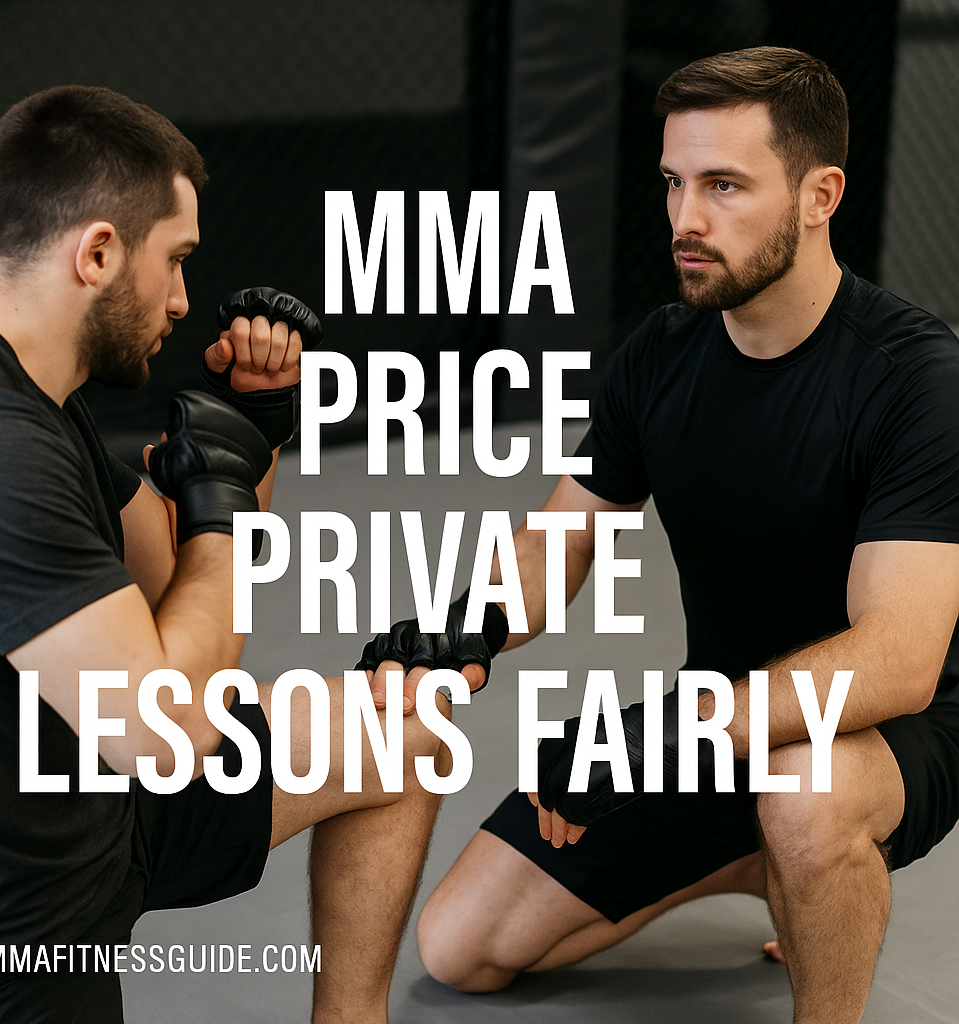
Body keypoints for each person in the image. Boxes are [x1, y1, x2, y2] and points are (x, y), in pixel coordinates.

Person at [357, 47, 959, 1023]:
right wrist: (463, 628)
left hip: (890, 735)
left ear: (820, 194)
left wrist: (644, 752)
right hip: (722, 719)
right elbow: (561, 542)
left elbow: (895, 660)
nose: (684, 219)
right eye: (675, 182)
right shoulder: (661, 353)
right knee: (461, 944)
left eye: (724, 185)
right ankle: (756, 860)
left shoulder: (913, 378)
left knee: (805, 788)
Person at [0, 84, 448, 1024]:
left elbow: (177, 577)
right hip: (6, 938)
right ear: (96, 253)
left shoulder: (36, 397)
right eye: (174, 263)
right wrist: (214, 500)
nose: (181, 300)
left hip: (97, 813)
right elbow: (165, 730)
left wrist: (255, 434)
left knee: (404, 731)